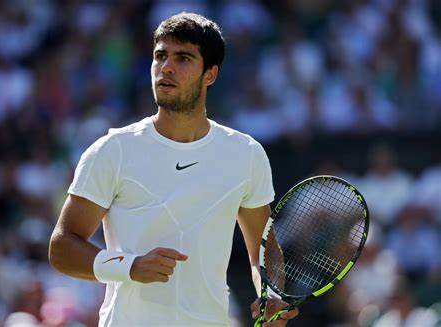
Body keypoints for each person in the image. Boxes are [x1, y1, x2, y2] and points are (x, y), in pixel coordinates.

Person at [49, 12, 299, 326]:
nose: (166, 67)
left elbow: (264, 248)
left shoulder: (246, 154)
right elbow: (62, 248)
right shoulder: (112, 150)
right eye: (160, 56)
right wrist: (130, 266)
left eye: (183, 58)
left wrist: (271, 292)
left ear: (210, 74)